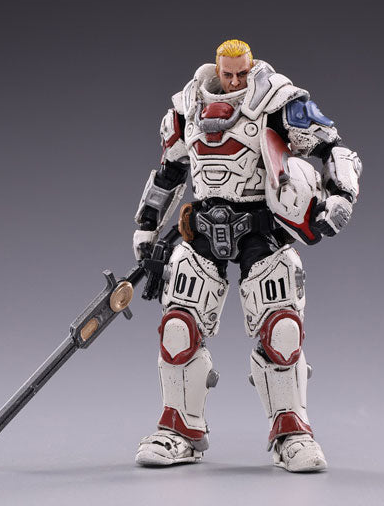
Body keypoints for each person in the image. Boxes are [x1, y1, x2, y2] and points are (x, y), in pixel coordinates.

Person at [133, 39, 361, 472]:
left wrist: (340, 197)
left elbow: (334, 148)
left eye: (242, 73)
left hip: (262, 228)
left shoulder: (278, 101)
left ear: (251, 66)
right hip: (203, 228)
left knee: (283, 332)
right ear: (217, 69)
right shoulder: (187, 107)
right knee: (178, 328)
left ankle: (292, 431)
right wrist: (146, 227)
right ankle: (179, 429)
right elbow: (169, 172)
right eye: (228, 74)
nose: (235, 81)